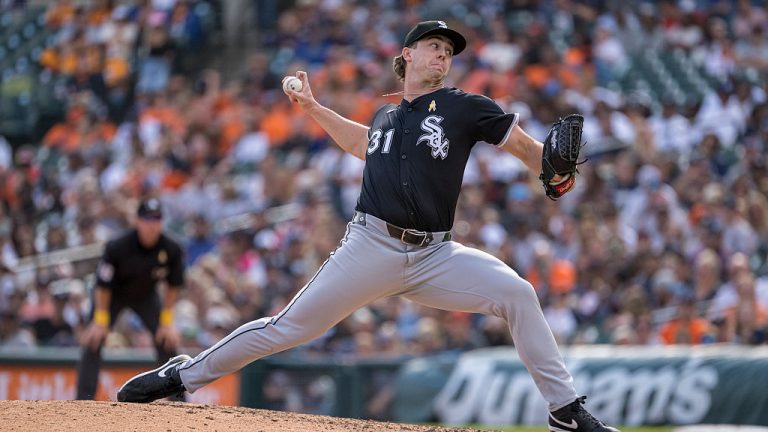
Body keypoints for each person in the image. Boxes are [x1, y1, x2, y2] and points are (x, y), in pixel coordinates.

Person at [117, 21, 618, 431]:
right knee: (288, 328)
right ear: (408, 56)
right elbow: (360, 144)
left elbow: (527, 148)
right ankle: (183, 377)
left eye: (448, 51)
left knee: (518, 293)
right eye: (434, 47)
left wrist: (551, 172)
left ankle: (564, 410)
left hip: (435, 255)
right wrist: (314, 110)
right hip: (370, 245)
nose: (443, 57)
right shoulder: (384, 116)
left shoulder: (465, 107)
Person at [76, 198, 185, 400]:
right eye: (147, 219)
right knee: (93, 339)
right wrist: (100, 321)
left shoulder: (171, 248)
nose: (151, 225)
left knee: (167, 340)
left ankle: (179, 400)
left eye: (156, 219)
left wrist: (167, 321)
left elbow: (173, 285)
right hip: (112, 295)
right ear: (137, 221)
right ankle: (84, 400)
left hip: (145, 296)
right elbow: (102, 286)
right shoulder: (118, 246)